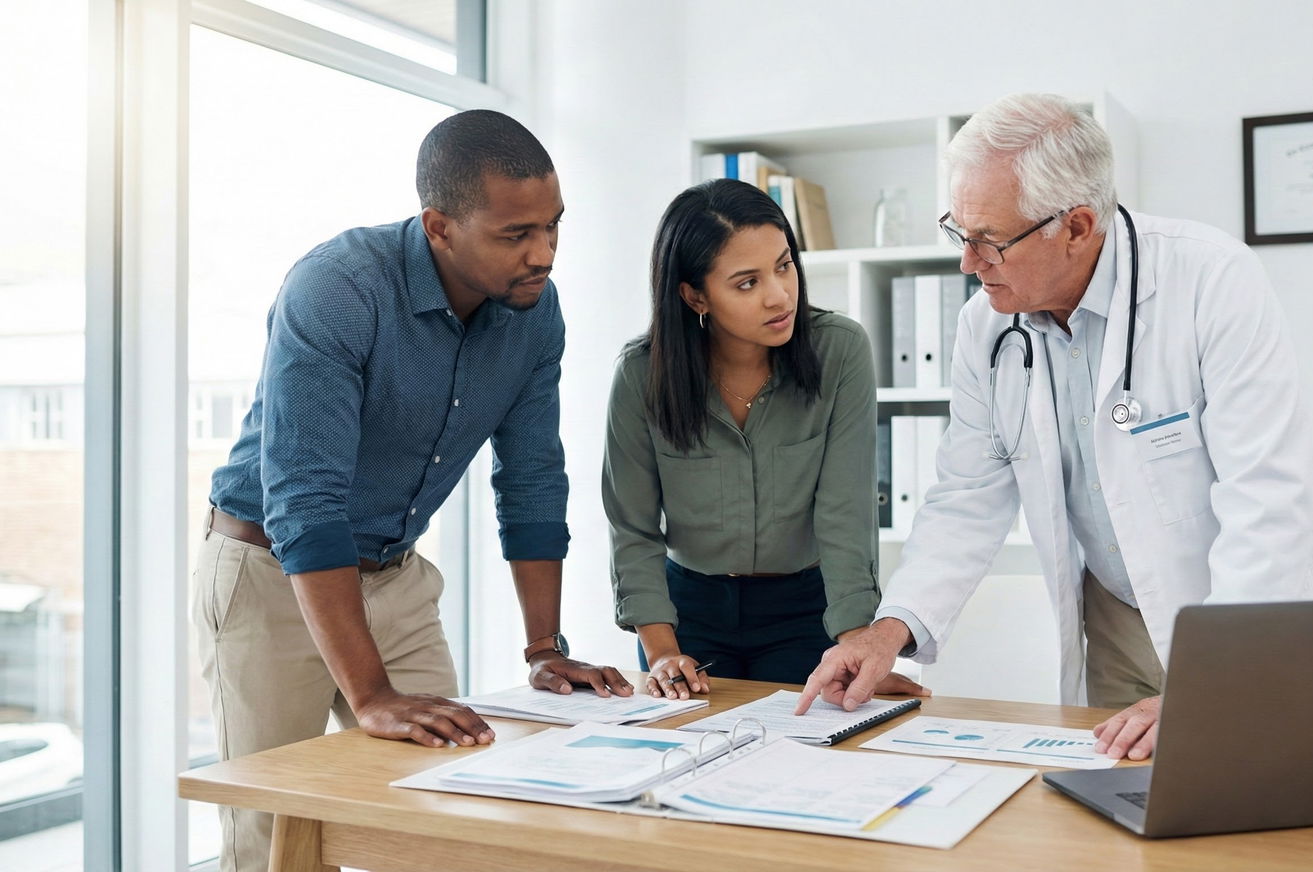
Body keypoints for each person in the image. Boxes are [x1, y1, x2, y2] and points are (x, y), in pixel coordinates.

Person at [796, 93, 1313, 761]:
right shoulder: (986, 327)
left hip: (1247, 618)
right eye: (959, 232)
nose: (967, 264)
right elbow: (966, 495)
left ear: (1078, 226)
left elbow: (1268, 501)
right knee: (1124, 821)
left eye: (989, 241)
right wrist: (887, 632)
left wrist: (1213, 682)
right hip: (1116, 620)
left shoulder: (1211, 280)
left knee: (1266, 815)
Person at [193, 109, 631, 872]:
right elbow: (306, 501)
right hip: (269, 579)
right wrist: (369, 697)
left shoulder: (535, 314)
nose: (544, 254)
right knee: (277, 842)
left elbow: (531, 477)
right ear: (439, 226)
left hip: (394, 579)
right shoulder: (339, 288)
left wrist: (542, 647)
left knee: (444, 817)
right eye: (515, 234)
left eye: (553, 226)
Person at [602, 178, 928, 700]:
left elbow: (845, 511)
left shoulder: (839, 351)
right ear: (693, 295)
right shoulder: (642, 375)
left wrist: (858, 646)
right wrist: (662, 651)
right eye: (747, 282)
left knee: (809, 763)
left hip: (808, 611)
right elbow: (633, 526)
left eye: (784, 265)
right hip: (685, 615)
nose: (780, 295)